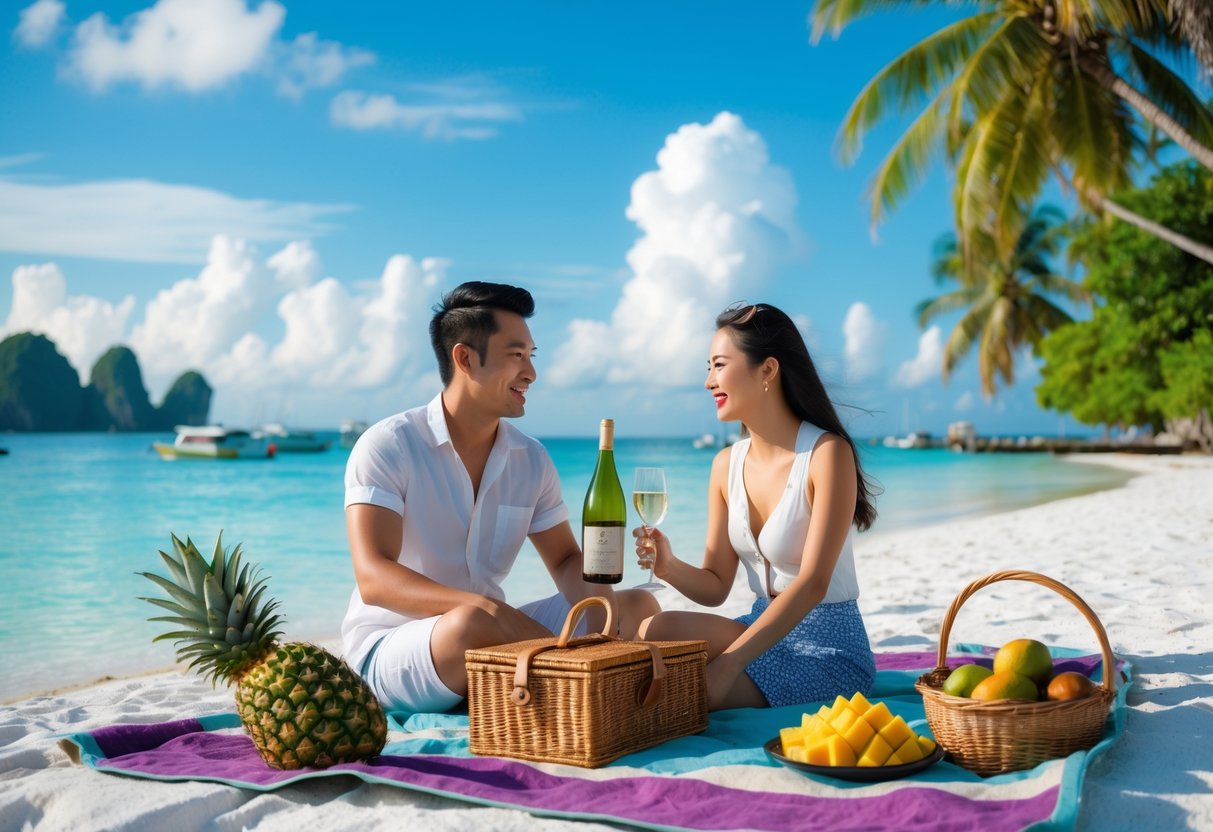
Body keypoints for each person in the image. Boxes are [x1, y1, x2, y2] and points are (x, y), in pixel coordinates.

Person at [342, 281, 659, 713]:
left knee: (637, 604)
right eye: (516, 356)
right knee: (471, 625)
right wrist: (484, 607)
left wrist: (606, 614)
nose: (531, 373)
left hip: (494, 632)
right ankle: (573, 673)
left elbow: (566, 561)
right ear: (465, 358)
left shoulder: (531, 458)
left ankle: (572, 671)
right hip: (394, 645)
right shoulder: (389, 444)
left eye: (531, 356)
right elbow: (374, 577)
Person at [633, 302, 877, 711]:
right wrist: (668, 566)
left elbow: (814, 582)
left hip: (827, 648)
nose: (709, 381)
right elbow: (715, 586)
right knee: (655, 628)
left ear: (767, 370)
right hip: (758, 630)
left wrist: (728, 665)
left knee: (680, 697)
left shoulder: (826, 454)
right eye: (708, 367)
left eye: (719, 365)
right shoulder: (725, 464)